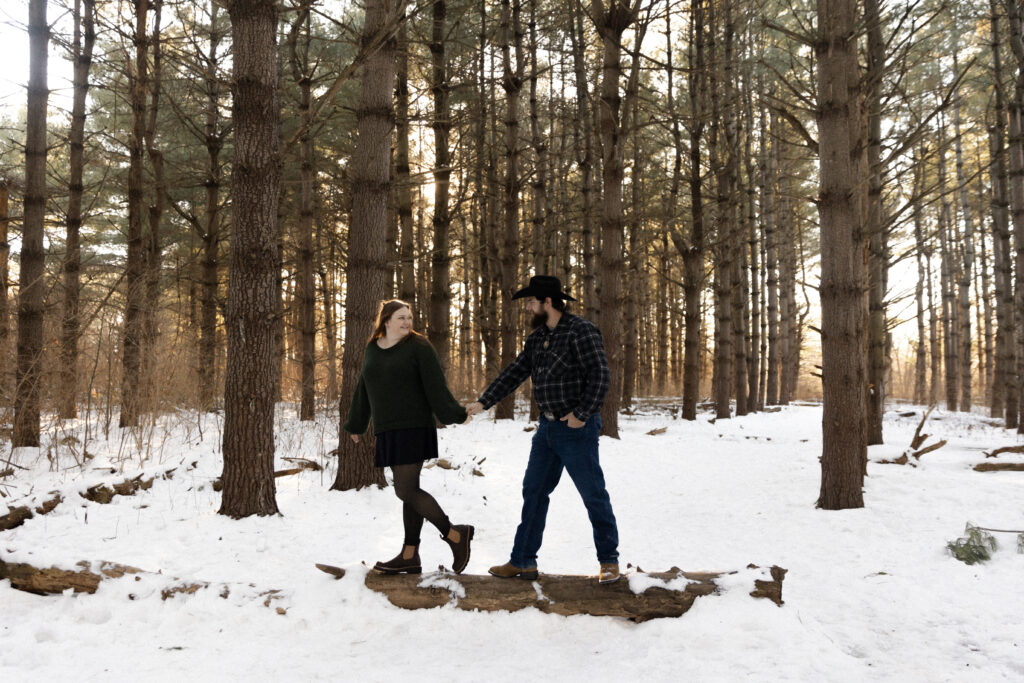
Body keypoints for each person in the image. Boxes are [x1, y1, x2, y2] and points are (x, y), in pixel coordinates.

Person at [465, 275, 621, 584]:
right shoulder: (537, 339)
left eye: (530, 302)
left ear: (547, 302)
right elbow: (515, 372)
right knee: (534, 492)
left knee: (593, 495)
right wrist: (483, 402)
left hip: (576, 428)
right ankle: (523, 561)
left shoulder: (581, 331)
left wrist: (582, 413)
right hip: (546, 431)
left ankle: (609, 561)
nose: (527, 308)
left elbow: (601, 375)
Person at [343, 299, 474, 575]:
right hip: (387, 429)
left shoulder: (419, 346)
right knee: (410, 491)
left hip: (414, 426)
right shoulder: (372, 348)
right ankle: (409, 555)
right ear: (386, 320)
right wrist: (357, 424)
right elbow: (364, 388)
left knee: (405, 489)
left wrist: (456, 413)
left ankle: (455, 535)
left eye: (409, 318)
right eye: (401, 318)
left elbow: (436, 386)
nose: (407, 323)